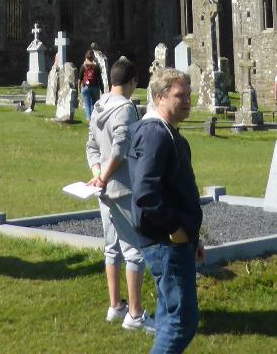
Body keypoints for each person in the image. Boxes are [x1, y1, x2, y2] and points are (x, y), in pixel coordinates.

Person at [130, 68, 203, 354]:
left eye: (188, 95)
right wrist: (175, 229)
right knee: (181, 321)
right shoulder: (154, 134)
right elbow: (146, 192)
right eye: (179, 95)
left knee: (168, 315)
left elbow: (176, 191)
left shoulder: (167, 132)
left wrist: (193, 237)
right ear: (160, 97)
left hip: (175, 241)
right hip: (166, 242)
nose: (187, 101)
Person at [85, 56, 154, 333]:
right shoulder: (125, 109)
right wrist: (103, 175)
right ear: (132, 82)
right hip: (122, 188)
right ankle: (135, 315)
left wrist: (97, 172)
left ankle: (116, 306)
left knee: (111, 249)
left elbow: (91, 146)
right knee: (134, 251)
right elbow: (120, 148)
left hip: (103, 188)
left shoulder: (99, 105)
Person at [78, 48, 104, 122]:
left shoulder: (83, 66)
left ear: (86, 57)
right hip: (95, 87)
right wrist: (102, 90)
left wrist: (79, 88)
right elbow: (100, 79)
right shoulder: (96, 67)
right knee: (94, 104)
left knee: (87, 104)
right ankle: (93, 118)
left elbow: (80, 79)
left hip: (85, 87)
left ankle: (88, 118)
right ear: (93, 57)